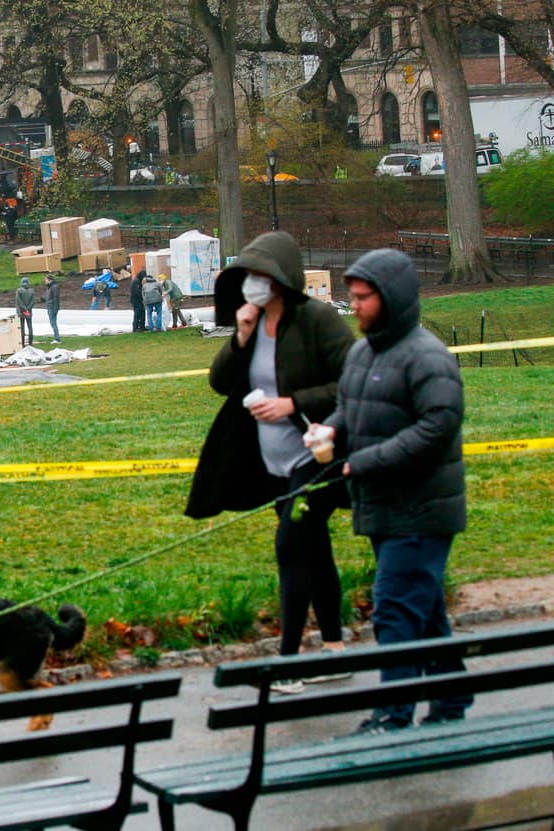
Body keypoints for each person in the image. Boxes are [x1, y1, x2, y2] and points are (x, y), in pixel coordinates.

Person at [186, 231, 355, 695]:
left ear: (282, 279)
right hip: (272, 461)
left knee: (290, 547)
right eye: (248, 277)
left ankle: (288, 661)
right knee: (314, 549)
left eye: (261, 276)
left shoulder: (317, 320)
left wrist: (291, 402)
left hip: (316, 454)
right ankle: (336, 650)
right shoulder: (253, 323)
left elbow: (354, 381)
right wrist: (240, 335)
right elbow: (220, 383)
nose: (253, 285)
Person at [312, 247, 471, 733]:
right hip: (383, 504)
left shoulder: (428, 357)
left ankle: (392, 714)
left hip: (421, 509)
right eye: (352, 297)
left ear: (393, 298)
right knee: (421, 609)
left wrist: (362, 462)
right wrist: (331, 431)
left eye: (363, 298)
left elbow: (436, 428)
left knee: (395, 607)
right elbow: (350, 406)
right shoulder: (363, 352)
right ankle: (451, 696)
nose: (353, 306)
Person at [15, 276, 35, 347]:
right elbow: (33, 301)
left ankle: (22, 343)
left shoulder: (19, 290)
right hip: (29, 311)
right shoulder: (31, 290)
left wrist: (24, 309)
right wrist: (28, 308)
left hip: (21, 311)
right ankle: (30, 342)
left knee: (21, 327)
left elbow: (18, 301)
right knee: (30, 327)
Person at [43, 273, 62, 344]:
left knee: (53, 323)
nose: (45, 281)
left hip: (52, 308)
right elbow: (50, 297)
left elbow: (56, 298)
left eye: (46, 279)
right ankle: (56, 338)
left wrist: (55, 309)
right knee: (53, 323)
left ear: (49, 280)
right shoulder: (50, 287)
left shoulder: (54, 287)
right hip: (50, 307)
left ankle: (57, 339)